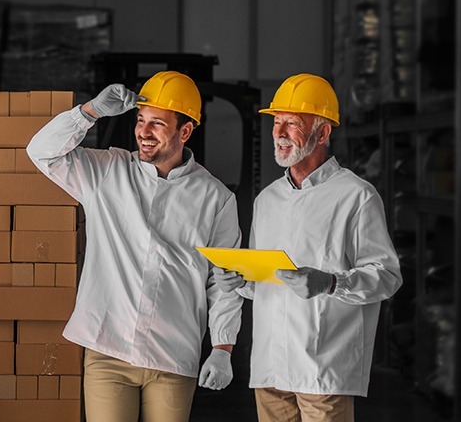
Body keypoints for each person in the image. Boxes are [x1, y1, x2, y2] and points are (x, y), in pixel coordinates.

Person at [27, 71, 243, 422]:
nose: (143, 132)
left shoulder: (215, 198)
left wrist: (222, 346)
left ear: (184, 131)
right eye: (141, 120)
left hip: (173, 355)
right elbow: (41, 152)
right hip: (108, 350)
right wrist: (90, 112)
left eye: (157, 124)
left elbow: (224, 280)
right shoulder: (106, 172)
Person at [213, 73, 403, 421]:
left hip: (323, 368)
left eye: (292, 124)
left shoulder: (356, 196)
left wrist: (330, 283)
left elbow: (387, 277)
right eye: (277, 122)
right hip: (270, 367)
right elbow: (266, 279)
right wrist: (242, 282)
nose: (280, 133)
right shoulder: (267, 199)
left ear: (323, 132)